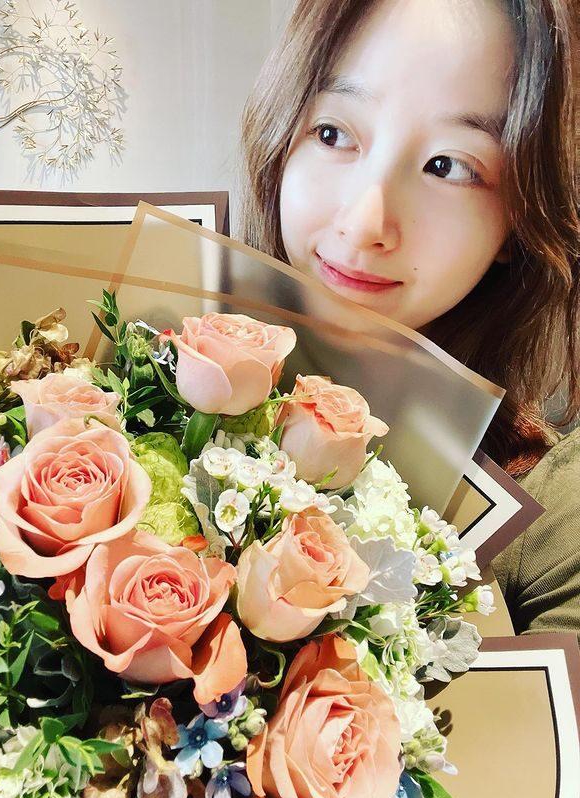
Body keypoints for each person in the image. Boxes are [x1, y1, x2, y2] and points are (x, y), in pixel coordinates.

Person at [239, 0, 580, 638]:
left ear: (520, 217)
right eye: (333, 133)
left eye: (448, 166)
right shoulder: (130, 381)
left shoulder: (553, 511)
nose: (364, 223)